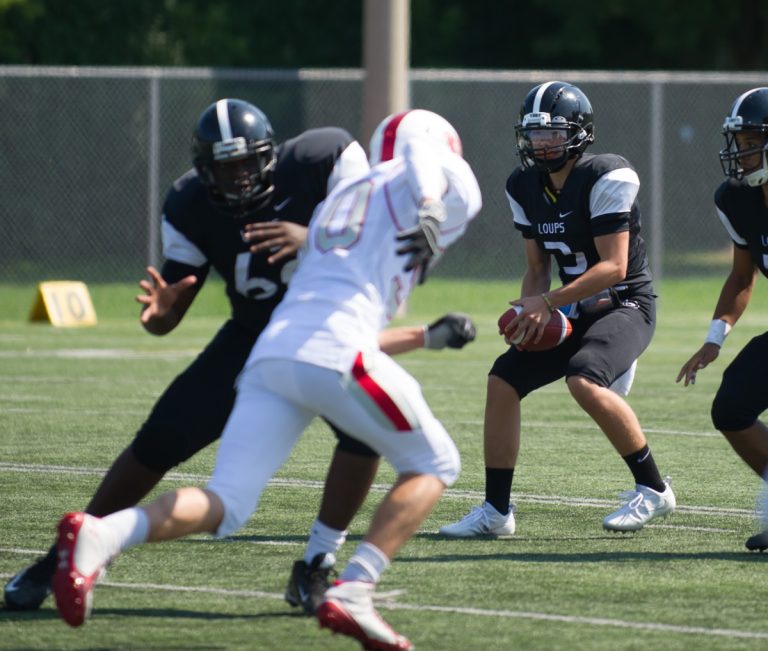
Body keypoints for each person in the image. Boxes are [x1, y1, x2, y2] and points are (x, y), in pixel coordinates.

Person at [3, 98, 477, 614]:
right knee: (161, 439)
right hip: (256, 336)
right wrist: (161, 314)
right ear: (203, 169)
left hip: (326, 326)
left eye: (247, 163)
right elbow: (170, 310)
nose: (239, 178)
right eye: (224, 168)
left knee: (361, 439)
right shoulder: (189, 202)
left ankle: (317, 563)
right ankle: (64, 557)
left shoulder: (321, 157)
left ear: (270, 154)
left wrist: (308, 239)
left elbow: (358, 229)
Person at [440, 80, 676, 538]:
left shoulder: (607, 175)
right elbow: (537, 268)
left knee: (583, 378)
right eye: (534, 134)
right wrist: (531, 313)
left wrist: (548, 303)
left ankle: (654, 489)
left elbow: (613, 267)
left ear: (579, 134)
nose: (541, 143)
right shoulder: (523, 184)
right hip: (574, 308)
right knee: (503, 379)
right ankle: (496, 511)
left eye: (552, 133)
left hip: (625, 302)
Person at [676, 87, 768, 552]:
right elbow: (741, 276)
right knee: (731, 406)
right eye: (740, 143)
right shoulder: (738, 199)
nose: (741, 153)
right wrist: (715, 338)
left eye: (751, 143)